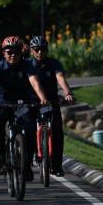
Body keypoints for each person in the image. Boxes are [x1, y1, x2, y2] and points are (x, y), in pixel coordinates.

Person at [0, 36, 49, 181]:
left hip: (22, 103)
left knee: (30, 128)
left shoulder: (27, 66)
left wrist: (43, 99)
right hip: (2, 102)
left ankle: (27, 163)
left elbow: (35, 83)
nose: (13, 55)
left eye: (16, 52)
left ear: (21, 53)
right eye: (9, 52)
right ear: (4, 53)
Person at [28, 36, 74, 176]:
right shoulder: (27, 64)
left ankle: (57, 166)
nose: (40, 52)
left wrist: (68, 93)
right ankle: (26, 162)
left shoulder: (54, 63)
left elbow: (60, 78)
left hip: (51, 101)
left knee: (57, 131)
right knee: (26, 129)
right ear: (32, 51)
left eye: (43, 49)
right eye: (37, 49)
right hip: (31, 102)